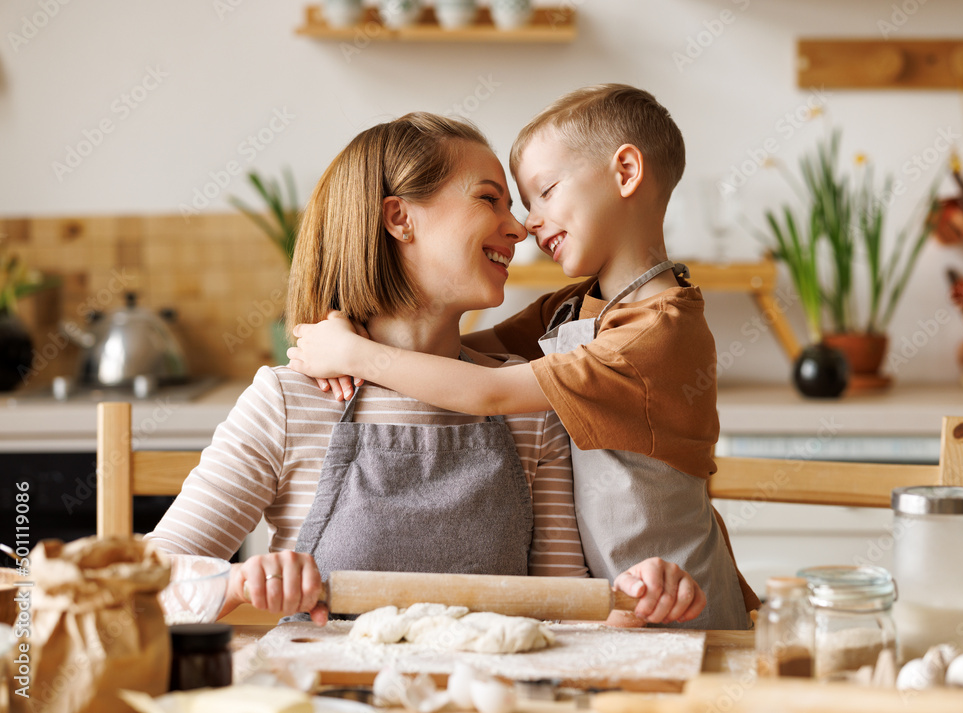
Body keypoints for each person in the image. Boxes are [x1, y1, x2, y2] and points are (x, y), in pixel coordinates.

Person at [147, 111, 707, 628]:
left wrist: (637, 603)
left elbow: (564, 611)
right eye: (491, 200)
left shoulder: (530, 407)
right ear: (399, 218)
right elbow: (144, 584)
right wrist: (242, 582)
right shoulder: (289, 403)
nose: (519, 230)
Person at [287, 86, 760, 629]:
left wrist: (354, 352)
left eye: (545, 192)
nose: (529, 223)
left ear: (626, 171)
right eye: (514, 202)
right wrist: (351, 328)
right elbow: (461, 356)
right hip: (613, 611)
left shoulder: (657, 330)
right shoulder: (574, 306)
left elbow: (490, 391)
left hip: (678, 600)